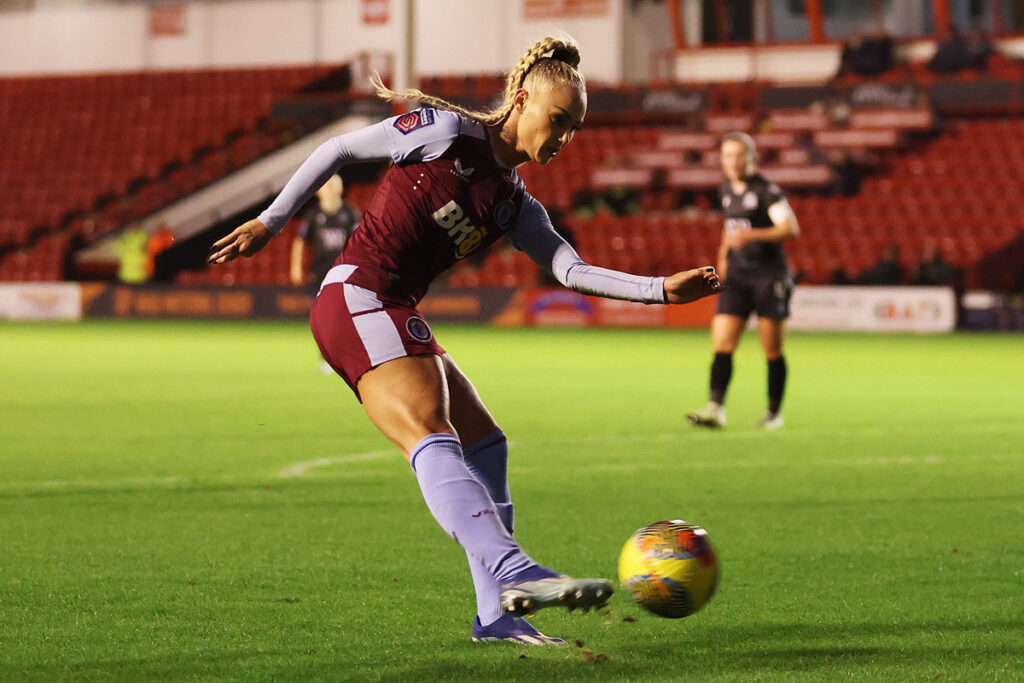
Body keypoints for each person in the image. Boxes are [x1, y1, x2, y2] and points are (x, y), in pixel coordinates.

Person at [208, 36, 721, 647]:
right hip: (356, 295)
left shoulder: (514, 204)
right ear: (523, 100)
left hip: (391, 307)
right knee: (431, 426)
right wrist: (272, 221)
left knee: (487, 444)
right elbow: (341, 147)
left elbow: (571, 271)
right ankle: (509, 568)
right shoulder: (444, 132)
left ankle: (496, 615)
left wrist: (662, 290)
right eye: (559, 121)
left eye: (576, 129)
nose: (564, 139)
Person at [687, 132, 799, 431]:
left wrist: (752, 235)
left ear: (752, 157)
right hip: (738, 277)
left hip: (768, 276)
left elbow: (789, 227)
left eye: (739, 155)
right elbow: (729, 228)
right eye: (727, 156)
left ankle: (774, 413)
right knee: (722, 343)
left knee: (771, 349)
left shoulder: (767, 192)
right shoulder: (726, 189)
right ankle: (715, 407)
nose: (733, 162)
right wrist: (722, 256)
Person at [290, 174, 361, 291]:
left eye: (333, 185)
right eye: (326, 186)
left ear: (340, 188)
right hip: (320, 271)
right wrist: (296, 267)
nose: (329, 189)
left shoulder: (350, 212)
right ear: (319, 191)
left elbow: (358, 242)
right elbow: (300, 241)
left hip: (343, 269)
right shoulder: (312, 215)